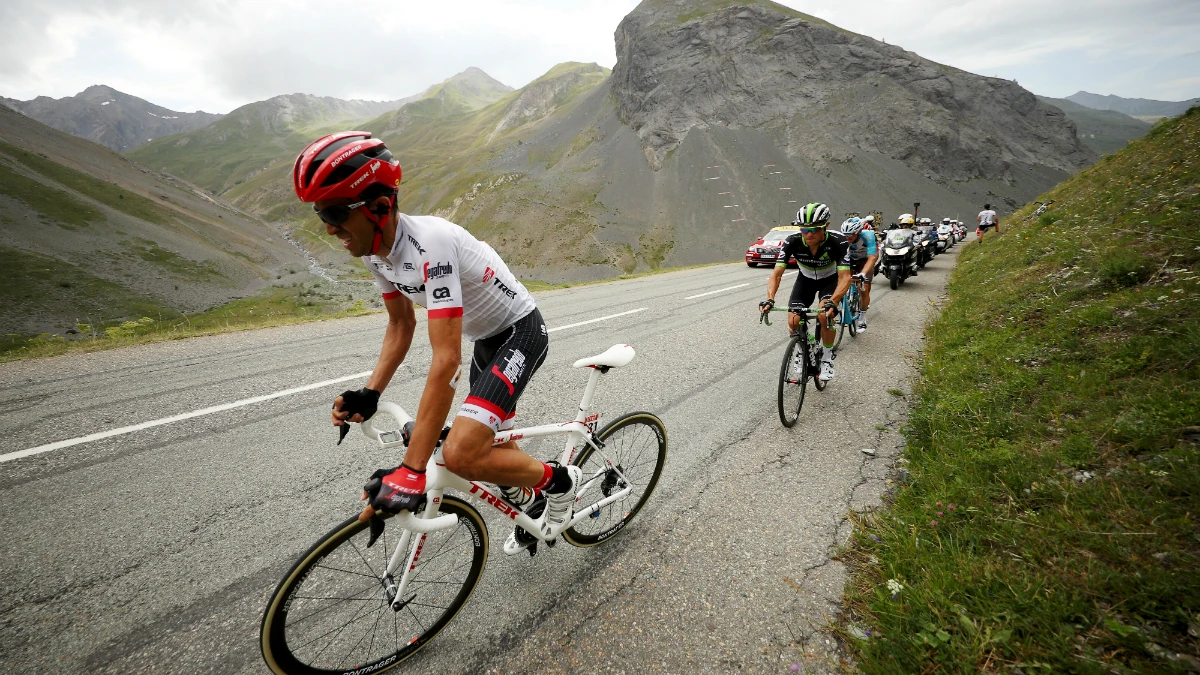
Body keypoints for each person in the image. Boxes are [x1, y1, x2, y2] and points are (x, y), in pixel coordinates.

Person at [292, 131, 579, 555]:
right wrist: (371, 393)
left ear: (379, 207)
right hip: (486, 340)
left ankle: (560, 482)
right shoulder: (376, 253)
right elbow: (400, 325)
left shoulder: (432, 244)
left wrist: (411, 470)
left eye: (334, 212)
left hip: (520, 331)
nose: (330, 228)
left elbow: (446, 361)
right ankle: (529, 500)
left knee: (462, 453)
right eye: (322, 216)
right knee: (489, 447)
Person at [758, 203, 853, 382]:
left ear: (826, 226)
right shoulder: (792, 241)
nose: (809, 234)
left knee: (824, 315)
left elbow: (845, 277)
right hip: (806, 279)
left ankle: (827, 357)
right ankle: (803, 348)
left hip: (830, 280)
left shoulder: (838, 241)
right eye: (804, 229)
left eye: (815, 229)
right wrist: (770, 299)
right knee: (793, 321)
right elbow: (776, 274)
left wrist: (834, 301)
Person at [840, 217, 876, 332]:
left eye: (851, 234)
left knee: (864, 288)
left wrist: (863, 273)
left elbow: (872, 258)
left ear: (859, 232)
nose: (848, 237)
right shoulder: (842, 239)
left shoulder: (868, 236)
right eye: (845, 234)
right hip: (850, 260)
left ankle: (862, 317)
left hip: (865, 260)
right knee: (841, 281)